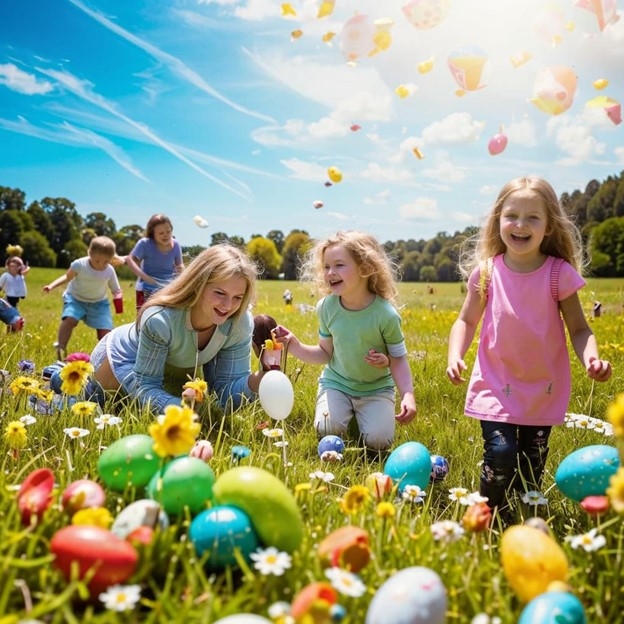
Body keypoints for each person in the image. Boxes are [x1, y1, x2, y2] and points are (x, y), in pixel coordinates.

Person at [446, 176, 612, 519]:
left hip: (542, 387)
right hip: (495, 382)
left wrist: (591, 359)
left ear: (549, 225)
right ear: (498, 221)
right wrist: (454, 356)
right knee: (501, 452)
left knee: (531, 462)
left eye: (533, 217)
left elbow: (580, 329)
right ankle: (487, 512)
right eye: (512, 215)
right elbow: (465, 321)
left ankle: (522, 514)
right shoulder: (487, 273)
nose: (520, 225)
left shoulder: (558, 274)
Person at [274, 230, 417, 451]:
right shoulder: (327, 307)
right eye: (326, 266)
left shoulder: (385, 314)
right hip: (337, 384)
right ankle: (343, 411)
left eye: (339, 265)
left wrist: (407, 395)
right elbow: (324, 353)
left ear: (365, 268)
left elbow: (398, 359)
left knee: (379, 442)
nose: (330, 272)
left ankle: (363, 414)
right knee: (326, 429)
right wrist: (293, 344)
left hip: (376, 389)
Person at [87, 244, 268, 415]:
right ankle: (58, 373)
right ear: (198, 284)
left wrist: (262, 379)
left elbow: (226, 393)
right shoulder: (160, 321)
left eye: (237, 297)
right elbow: (146, 386)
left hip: (168, 368)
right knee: (96, 402)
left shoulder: (239, 322)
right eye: (219, 293)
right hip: (120, 357)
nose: (228, 306)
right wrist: (183, 410)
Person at [43, 236, 123, 361]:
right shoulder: (79, 265)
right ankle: (61, 346)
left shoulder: (109, 271)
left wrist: (118, 297)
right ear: (89, 253)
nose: (101, 265)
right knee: (70, 319)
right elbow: (66, 277)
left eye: (106, 261)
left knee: (106, 330)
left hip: (99, 303)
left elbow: (116, 289)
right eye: (97, 260)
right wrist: (51, 286)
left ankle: (102, 358)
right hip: (75, 298)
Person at [125, 214, 184, 311]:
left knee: (168, 317)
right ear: (153, 234)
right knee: (144, 318)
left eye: (168, 231)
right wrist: (145, 277)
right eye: (161, 233)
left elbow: (180, 265)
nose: (165, 235)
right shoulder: (145, 244)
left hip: (168, 288)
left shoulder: (176, 245)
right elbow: (130, 260)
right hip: (146, 288)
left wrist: (181, 280)